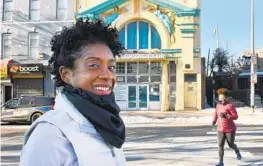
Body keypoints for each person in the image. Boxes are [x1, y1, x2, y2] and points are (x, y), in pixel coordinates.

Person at [20, 19, 126, 166]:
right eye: (93, 65)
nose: (107, 75)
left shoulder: (107, 124)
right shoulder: (50, 133)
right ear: (66, 74)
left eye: (111, 67)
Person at [212, 88, 242, 166]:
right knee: (220, 145)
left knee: (230, 144)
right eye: (220, 98)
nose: (221, 99)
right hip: (220, 129)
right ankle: (221, 162)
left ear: (226, 97)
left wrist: (226, 116)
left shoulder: (230, 106)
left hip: (230, 129)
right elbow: (216, 114)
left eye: (223, 98)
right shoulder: (218, 106)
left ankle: (237, 150)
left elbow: (235, 116)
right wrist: (214, 120)